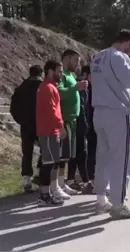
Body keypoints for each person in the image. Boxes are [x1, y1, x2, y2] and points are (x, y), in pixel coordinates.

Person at [91, 29, 130, 219]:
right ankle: (118, 204)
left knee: (102, 156)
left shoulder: (97, 57)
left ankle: (101, 199)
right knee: (123, 159)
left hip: (99, 112)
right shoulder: (119, 57)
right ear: (127, 42)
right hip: (117, 112)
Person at [56, 49, 88, 199]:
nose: (78, 64)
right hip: (65, 120)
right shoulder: (61, 75)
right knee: (61, 156)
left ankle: (62, 184)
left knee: (67, 156)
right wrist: (75, 88)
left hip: (73, 121)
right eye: (76, 60)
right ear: (67, 59)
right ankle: (58, 184)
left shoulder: (72, 75)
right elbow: (58, 92)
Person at [36, 60, 66, 206]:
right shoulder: (47, 88)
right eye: (59, 71)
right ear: (50, 71)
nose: (62, 74)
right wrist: (60, 126)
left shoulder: (52, 87)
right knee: (47, 164)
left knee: (52, 163)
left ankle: (48, 193)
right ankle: (44, 195)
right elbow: (51, 111)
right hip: (48, 131)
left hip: (52, 130)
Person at [10, 65, 43, 193]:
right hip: (40, 123)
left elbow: (13, 109)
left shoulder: (20, 88)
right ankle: (41, 174)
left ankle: (26, 180)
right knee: (45, 149)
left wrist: (21, 120)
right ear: (40, 73)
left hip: (26, 124)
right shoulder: (42, 86)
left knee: (27, 151)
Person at [66, 66, 94, 194]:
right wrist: (86, 124)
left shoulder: (87, 88)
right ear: (85, 75)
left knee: (78, 153)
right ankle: (84, 181)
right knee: (80, 153)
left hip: (83, 125)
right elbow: (81, 108)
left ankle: (74, 180)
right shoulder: (80, 88)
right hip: (78, 125)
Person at [82, 66, 97, 186]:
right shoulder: (85, 89)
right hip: (87, 125)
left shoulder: (95, 89)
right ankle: (89, 178)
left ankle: (91, 177)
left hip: (95, 124)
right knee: (88, 152)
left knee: (93, 151)